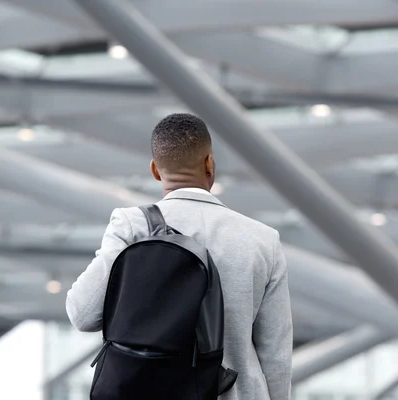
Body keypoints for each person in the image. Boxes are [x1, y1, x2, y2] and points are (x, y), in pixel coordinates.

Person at [66, 113, 293, 400]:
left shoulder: (133, 226)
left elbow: (82, 314)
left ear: (155, 170)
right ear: (210, 164)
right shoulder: (263, 239)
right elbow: (276, 355)